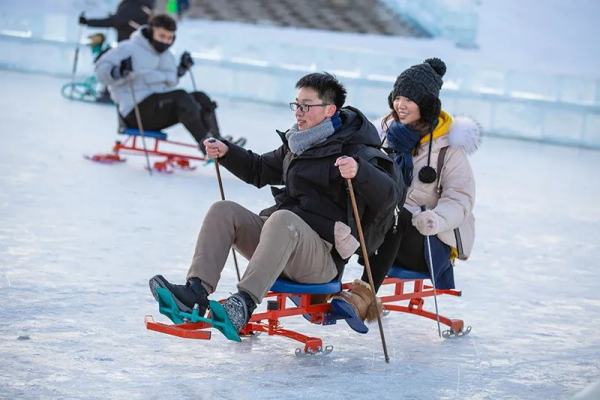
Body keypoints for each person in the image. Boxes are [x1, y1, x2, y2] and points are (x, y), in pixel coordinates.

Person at [148, 72, 403, 335]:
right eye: (296, 104)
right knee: (223, 211)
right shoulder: (299, 143)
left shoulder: (356, 149)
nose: (298, 112)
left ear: (329, 110)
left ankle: (244, 303)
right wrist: (227, 152)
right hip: (281, 240)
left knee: (282, 220)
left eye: (306, 106)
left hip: (320, 259)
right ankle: (195, 292)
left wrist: (360, 172)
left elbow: (389, 197)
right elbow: (259, 170)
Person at [331, 58, 480, 333]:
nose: (401, 105)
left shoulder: (449, 147)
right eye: (398, 97)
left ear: (426, 104)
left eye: (409, 99)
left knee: (399, 214)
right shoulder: (382, 134)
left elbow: (461, 198)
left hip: (427, 240)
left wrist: (436, 218)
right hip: (384, 232)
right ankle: (321, 281)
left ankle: (364, 295)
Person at [95, 14, 231, 152]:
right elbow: (100, 70)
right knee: (181, 97)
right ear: (150, 32)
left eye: (169, 38)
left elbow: (169, 82)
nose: (165, 42)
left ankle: (217, 140)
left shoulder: (167, 56)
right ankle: (207, 147)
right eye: (161, 36)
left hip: (157, 109)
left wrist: (181, 69)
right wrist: (119, 71)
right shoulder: (128, 48)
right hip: (134, 112)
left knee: (200, 97)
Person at [79, 0, 155, 43]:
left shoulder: (132, 4)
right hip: (137, 43)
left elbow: (115, 21)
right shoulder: (143, 4)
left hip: (129, 45)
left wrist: (88, 22)